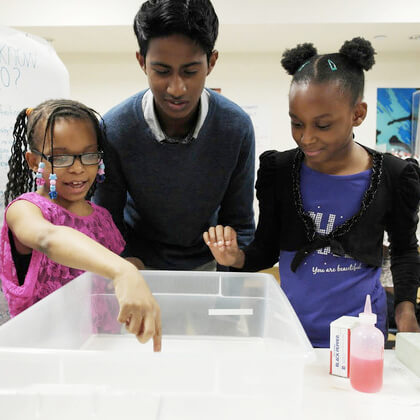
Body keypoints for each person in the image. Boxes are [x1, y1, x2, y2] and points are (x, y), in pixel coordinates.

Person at [203, 38, 420, 347]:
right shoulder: (280, 171)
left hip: (362, 338)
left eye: (323, 125)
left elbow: (404, 250)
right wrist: (235, 257)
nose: (306, 138)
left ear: (358, 113)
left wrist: (406, 311)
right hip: (290, 336)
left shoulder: (392, 176)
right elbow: (264, 250)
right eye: (296, 123)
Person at [93, 0, 255, 271]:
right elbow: (106, 221)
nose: (177, 88)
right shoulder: (115, 129)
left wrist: (231, 259)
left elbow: (240, 225)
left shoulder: (235, 127)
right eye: (162, 71)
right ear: (142, 62)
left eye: (190, 71)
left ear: (211, 62)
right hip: (137, 266)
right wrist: (126, 263)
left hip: (209, 266)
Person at [0, 99, 161, 351]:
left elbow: (114, 264)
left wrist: (132, 268)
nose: (78, 168)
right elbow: (49, 238)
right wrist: (122, 271)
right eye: (61, 158)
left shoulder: (102, 218)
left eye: (88, 156)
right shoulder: (26, 210)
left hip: (98, 351)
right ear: (33, 161)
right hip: (42, 359)